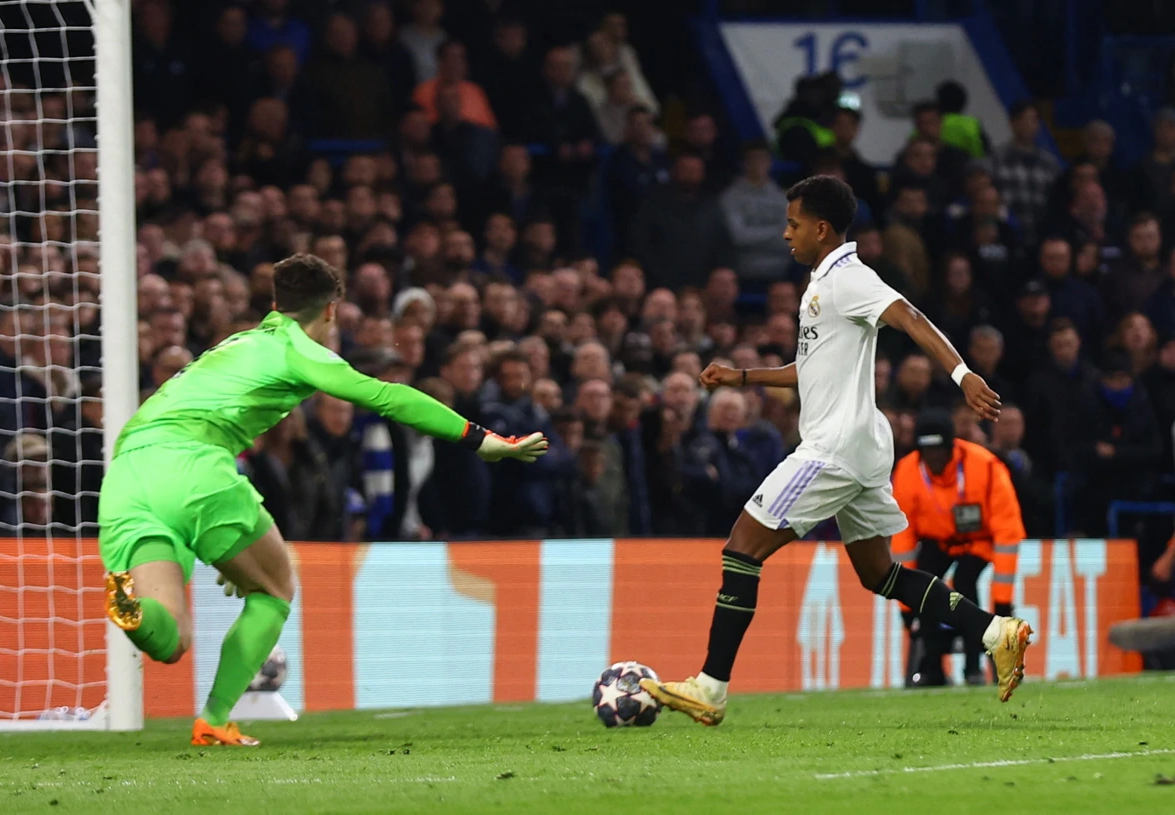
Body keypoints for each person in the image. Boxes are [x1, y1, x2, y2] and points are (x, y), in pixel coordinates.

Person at [98, 254, 548, 746]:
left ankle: (134, 610)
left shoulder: (234, 343)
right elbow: (391, 397)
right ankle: (213, 720)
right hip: (193, 467)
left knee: (170, 639)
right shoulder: (298, 349)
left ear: (275, 303)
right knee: (273, 591)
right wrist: (481, 439)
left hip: (127, 473)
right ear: (331, 310)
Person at [639, 176, 1032, 726]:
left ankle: (710, 687)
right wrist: (743, 377)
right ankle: (995, 632)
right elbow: (812, 368)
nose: (786, 234)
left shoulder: (849, 278)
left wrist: (961, 374)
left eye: (793, 224)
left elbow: (910, 317)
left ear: (821, 229)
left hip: (835, 447)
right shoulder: (822, 284)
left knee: (742, 548)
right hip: (862, 446)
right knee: (880, 574)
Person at [890, 409, 1025, 688]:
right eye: (927, 451)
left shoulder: (986, 467)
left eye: (939, 450)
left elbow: (1007, 534)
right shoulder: (907, 472)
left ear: (952, 446)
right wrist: (906, 605)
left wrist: (1002, 602)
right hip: (938, 541)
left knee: (964, 581)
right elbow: (902, 540)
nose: (933, 458)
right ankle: (932, 669)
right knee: (925, 586)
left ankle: (973, 667)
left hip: (978, 541)